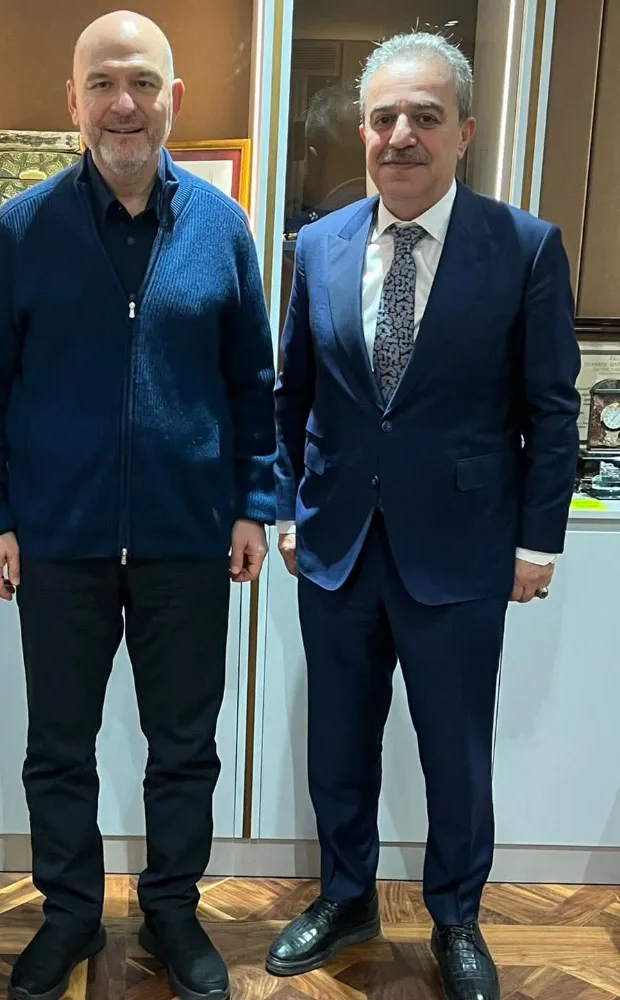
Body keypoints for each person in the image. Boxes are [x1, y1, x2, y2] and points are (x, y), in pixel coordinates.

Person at [0, 10, 275, 1000]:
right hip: (59, 541)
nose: (122, 104)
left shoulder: (222, 228)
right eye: (102, 84)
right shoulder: (22, 231)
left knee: (184, 748)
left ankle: (173, 910)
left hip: (190, 539)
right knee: (59, 749)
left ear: (173, 98)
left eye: (141, 83)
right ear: (74, 101)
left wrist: (254, 501)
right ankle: (69, 913)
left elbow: (252, 384)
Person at [267, 31, 580, 1000]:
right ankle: (345, 896)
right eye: (384, 118)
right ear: (363, 131)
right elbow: (291, 394)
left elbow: (551, 409)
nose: (401, 135)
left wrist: (537, 542)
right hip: (336, 545)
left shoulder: (522, 247)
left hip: (463, 549)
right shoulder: (316, 245)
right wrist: (287, 509)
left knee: (455, 747)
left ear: (463, 133)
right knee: (337, 744)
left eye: (425, 117)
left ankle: (456, 917)